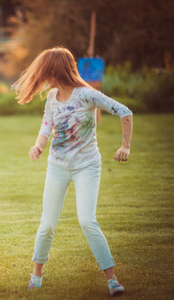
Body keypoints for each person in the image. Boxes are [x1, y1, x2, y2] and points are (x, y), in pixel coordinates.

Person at [13, 47, 133, 296]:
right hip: (57, 166)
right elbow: (47, 126)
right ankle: (36, 275)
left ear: (55, 70)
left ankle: (112, 279)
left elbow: (124, 111)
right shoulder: (52, 97)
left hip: (86, 167)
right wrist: (38, 146)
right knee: (46, 224)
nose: (43, 77)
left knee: (87, 221)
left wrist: (125, 146)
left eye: (46, 71)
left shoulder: (87, 95)